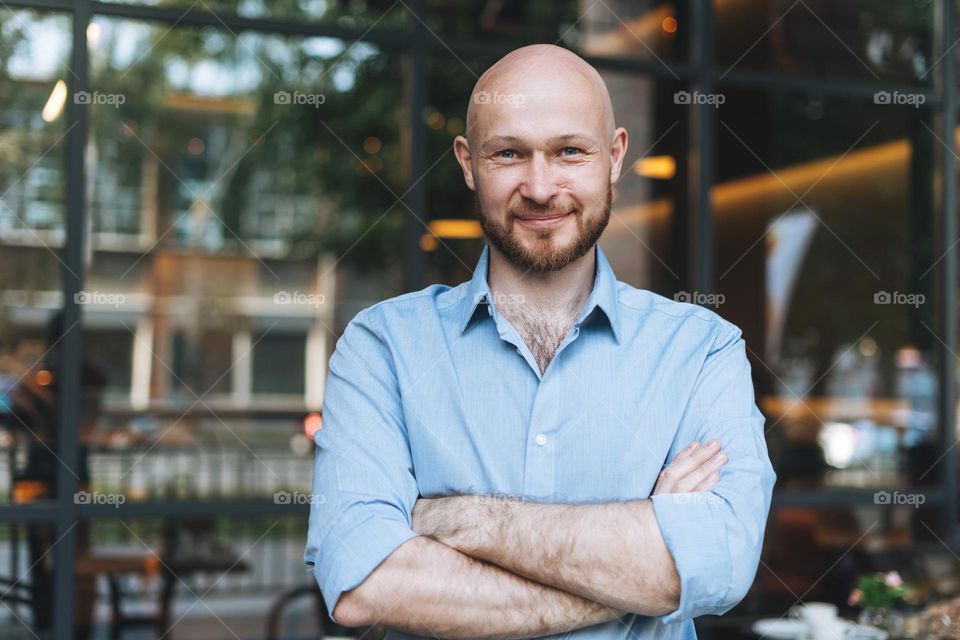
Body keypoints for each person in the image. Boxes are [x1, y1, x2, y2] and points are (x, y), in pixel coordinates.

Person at [304, 44, 776, 639]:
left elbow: (722, 564)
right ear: (469, 163)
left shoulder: (703, 350)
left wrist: (462, 519)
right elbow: (365, 585)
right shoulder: (382, 349)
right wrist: (644, 567)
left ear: (614, 157)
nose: (540, 186)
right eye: (508, 154)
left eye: (569, 152)